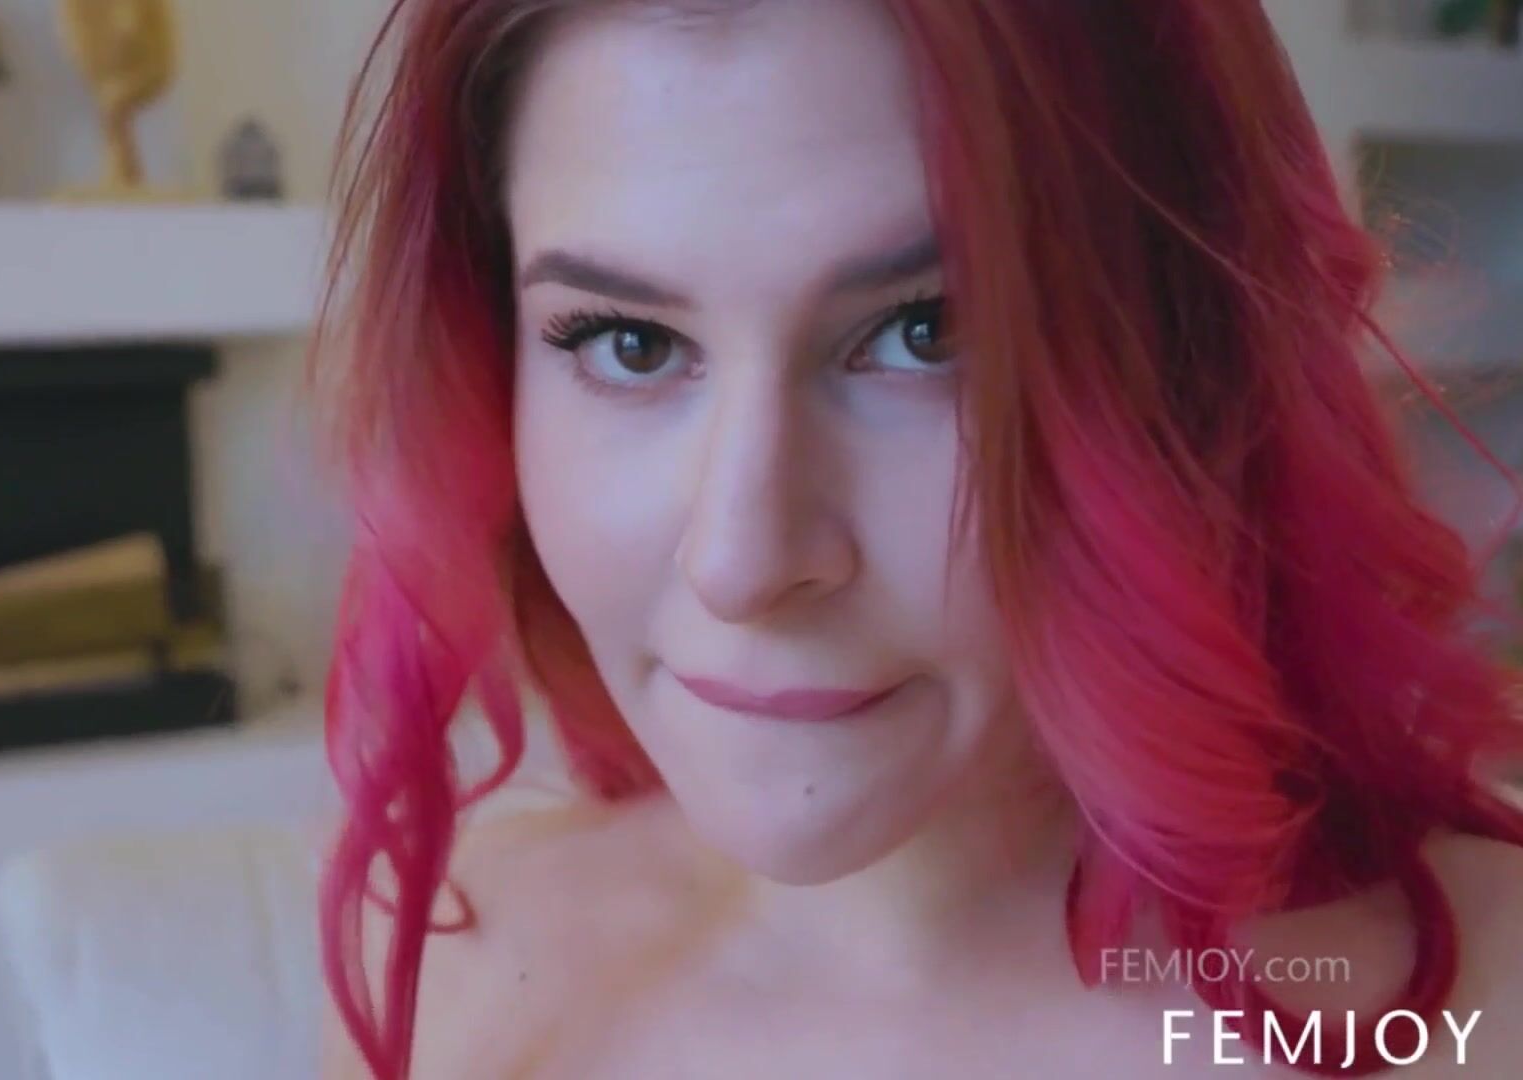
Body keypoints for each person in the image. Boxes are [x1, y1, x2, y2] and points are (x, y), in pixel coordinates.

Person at [304, 0, 1523, 1075]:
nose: (743, 562)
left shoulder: (1492, 1003)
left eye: (928, 334)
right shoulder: (448, 963)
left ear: (1195, 365)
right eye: (630, 343)